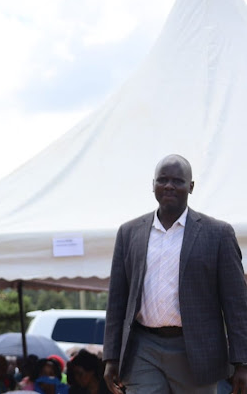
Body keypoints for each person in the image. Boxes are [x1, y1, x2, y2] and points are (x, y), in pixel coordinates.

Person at [103, 154, 247, 394]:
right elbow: (117, 300)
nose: (169, 185)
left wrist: (242, 361)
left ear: (190, 187)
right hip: (142, 347)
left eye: (177, 181)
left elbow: (236, 304)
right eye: (163, 179)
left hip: (197, 351)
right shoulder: (129, 233)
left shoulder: (218, 234)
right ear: (153, 185)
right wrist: (111, 357)